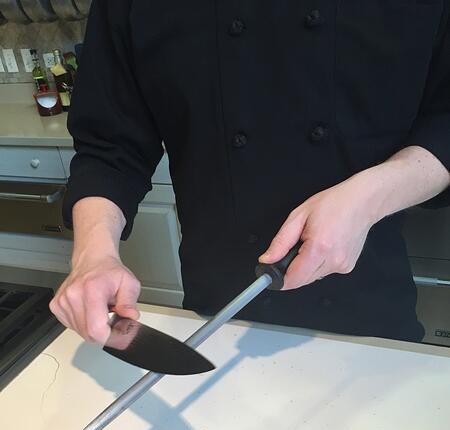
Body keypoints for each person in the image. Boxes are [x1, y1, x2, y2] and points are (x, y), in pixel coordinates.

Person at [50, 0, 450, 345]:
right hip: (219, 311)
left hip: (369, 314)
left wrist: (369, 198)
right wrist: (93, 255)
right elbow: (110, 143)